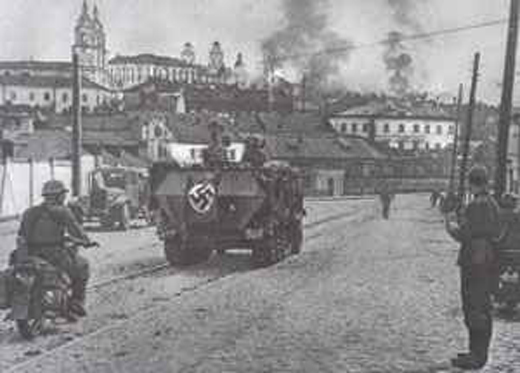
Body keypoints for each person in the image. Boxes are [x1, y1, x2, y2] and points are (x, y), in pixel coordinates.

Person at [445, 165, 500, 370]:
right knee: (482, 305)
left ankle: (476, 356)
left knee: (473, 306)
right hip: (487, 259)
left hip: (474, 260)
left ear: (472, 183)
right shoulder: (492, 203)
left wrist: (450, 225)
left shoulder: (476, 205)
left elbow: (465, 234)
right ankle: (477, 352)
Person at [16, 180, 95, 318]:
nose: (64, 197)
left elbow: (21, 234)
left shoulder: (29, 212)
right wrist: (87, 241)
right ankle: (76, 303)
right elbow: (76, 230)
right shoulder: (63, 211)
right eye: (63, 194)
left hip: (30, 255)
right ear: (58, 196)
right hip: (53, 254)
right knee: (83, 265)